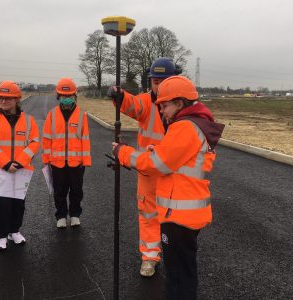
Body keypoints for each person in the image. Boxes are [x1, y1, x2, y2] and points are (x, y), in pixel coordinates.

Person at [112, 76, 224, 299]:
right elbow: (176, 159)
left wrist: (122, 153)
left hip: (179, 216)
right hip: (186, 212)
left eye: (164, 106)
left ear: (180, 103)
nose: (161, 111)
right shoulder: (193, 125)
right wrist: (158, 150)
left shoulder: (185, 127)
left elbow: (156, 165)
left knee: (178, 277)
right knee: (184, 272)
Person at [108, 57, 182, 277]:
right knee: (149, 214)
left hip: (174, 173)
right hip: (148, 171)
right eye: (155, 81)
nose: (158, 85)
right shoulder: (145, 102)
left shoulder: (181, 106)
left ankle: (176, 255)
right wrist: (119, 96)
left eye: (163, 80)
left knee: (175, 217)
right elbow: (131, 104)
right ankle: (149, 257)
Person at [42, 78, 91, 229]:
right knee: (59, 190)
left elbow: (85, 138)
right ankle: (61, 216)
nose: (66, 99)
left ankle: (75, 215)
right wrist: (46, 159)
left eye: (69, 96)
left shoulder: (81, 115)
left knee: (76, 190)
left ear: (75, 95)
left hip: (77, 162)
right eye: (63, 96)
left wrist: (86, 160)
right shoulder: (52, 115)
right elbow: (46, 138)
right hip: (57, 162)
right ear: (58, 96)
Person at [0, 81, 40, 250]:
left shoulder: (29, 121)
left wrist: (20, 162)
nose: (3, 101)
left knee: (18, 203)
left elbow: (34, 142)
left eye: (8, 98)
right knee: (2, 204)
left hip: (21, 170)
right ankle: (1, 235)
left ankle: (14, 231)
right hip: (0, 170)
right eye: (1, 97)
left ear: (17, 100)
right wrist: (6, 163)